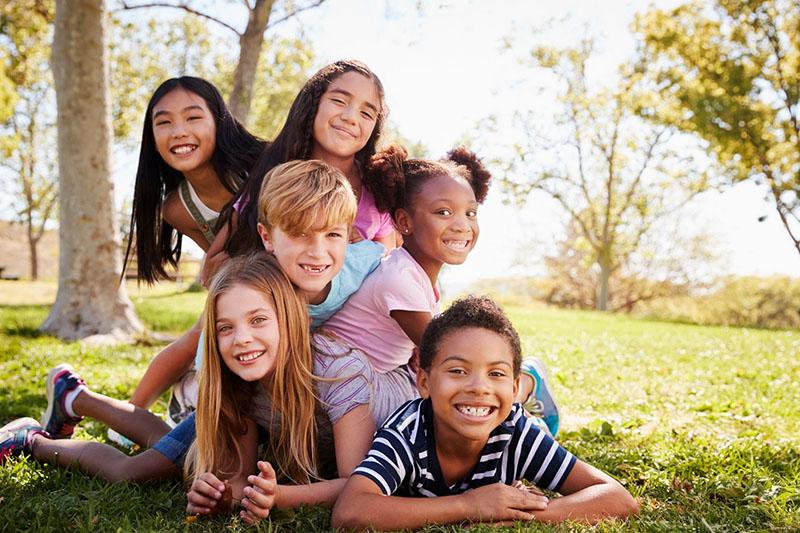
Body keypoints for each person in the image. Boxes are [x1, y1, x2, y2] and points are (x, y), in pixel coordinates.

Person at [0, 253, 376, 525]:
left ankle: (75, 397)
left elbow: (359, 488)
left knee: (168, 444)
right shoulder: (238, 382)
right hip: (232, 416)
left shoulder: (338, 374)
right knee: (144, 467)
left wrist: (271, 497)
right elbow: (239, 477)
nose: (242, 340)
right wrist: (222, 493)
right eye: (226, 328)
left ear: (290, 320)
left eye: (258, 320)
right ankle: (32, 440)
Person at [131, 60, 394, 415]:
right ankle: (162, 404)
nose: (351, 116)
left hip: (335, 332)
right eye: (339, 101)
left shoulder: (377, 192)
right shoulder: (276, 169)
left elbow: (391, 265)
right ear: (313, 103)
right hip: (267, 318)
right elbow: (224, 250)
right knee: (202, 341)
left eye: (367, 111)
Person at [332, 296, 639, 530]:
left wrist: (523, 513)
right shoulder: (406, 433)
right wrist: (469, 505)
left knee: (539, 430)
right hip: (470, 430)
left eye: (496, 373)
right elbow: (350, 512)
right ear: (424, 382)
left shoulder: (515, 431)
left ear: (513, 385)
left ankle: (533, 382)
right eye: (457, 370)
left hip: (514, 422)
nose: (479, 386)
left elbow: (617, 497)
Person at [322, 144, 558, 431]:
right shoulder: (398, 278)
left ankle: (522, 391)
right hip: (346, 379)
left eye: (470, 213)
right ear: (404, 222)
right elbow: (447, 357)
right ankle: (522, 391)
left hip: (372, 380)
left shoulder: (418, 279)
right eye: (444, 212)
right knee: (453, 397)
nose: (462, 225)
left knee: (462, 395)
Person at [123, 76, 264, 284]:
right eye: (163, 122)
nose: (179, 132)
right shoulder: (178, 210)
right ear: (152, 138)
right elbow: (224, 271)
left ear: (219, 122)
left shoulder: (265, 167)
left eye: (193, 118)